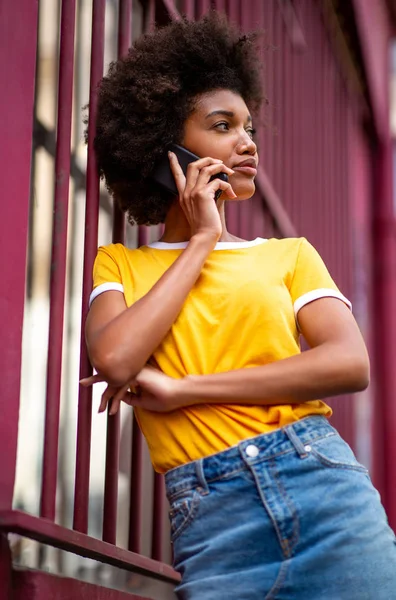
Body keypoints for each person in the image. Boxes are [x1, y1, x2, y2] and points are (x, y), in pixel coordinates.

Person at [81, 12, 396, 600]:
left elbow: (349, 365)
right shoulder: (120, 264)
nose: (247, 143)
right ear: (162, 148)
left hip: (324, 491)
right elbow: (118, 359)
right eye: (222, 125)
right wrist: (201, 241)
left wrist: (187, 391)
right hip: (213, 519)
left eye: (248, 126)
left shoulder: (289, 254)